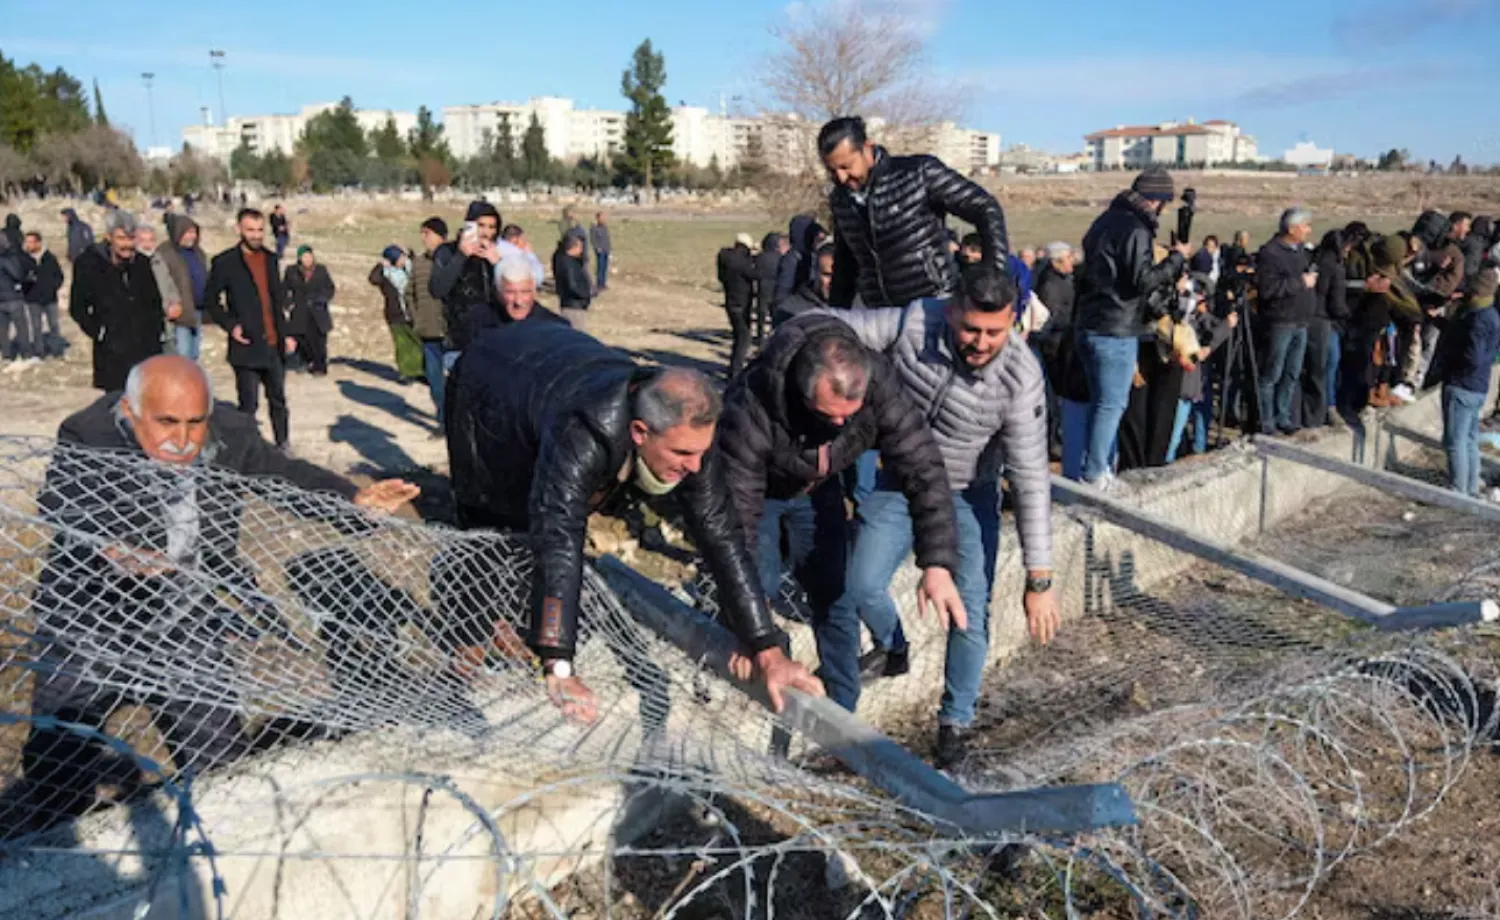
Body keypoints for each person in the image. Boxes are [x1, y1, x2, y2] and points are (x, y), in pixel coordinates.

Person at [12, 355, 416, 834]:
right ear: (131, 410)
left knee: (219, 757)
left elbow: (280, 475)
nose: (182, 439)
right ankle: (54, 851)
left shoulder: (230, 430)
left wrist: (352, 501)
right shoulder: (88, 434)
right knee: (60, 752)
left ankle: (218, 851)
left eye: (194, 423)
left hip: (183, 617)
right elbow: (65, 500)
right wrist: (109, 546)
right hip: (93, 619)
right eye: (166, 422)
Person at [444, 323, 821, 722]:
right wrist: (559, 664)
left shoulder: (689, 433)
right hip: (491, 382)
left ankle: (520, 618)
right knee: (496, 519)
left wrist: (766, 646)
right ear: (640, 432)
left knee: (547, 520)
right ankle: (470, 633)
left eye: (700, 454)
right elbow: (559, 534)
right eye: (681, 454)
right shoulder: (585, 430)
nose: (695, 467)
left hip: (557, 368)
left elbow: (720, 533)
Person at [807, 271, 1060, 767]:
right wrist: (793, 337)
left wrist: (1040, 576)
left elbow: (1031, 477)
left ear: (1013, 322)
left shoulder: (1021, 378)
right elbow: (835, 326)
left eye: (995, 332)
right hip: (900, 481)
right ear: (952, 310)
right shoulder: (915, 323)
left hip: (969, 495)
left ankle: (954, 723)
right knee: (859, 583)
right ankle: (893, 646)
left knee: (968, 613)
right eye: (971, 329)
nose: (981, 343)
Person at [716, 313, 967, 715]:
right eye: (827, 415)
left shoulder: (879, 383)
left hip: (819, 487)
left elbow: (922, 465)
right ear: (800, 390)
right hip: (761, 493)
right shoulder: (752, 406)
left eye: (849, 416)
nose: (839, 424)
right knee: (758, 582)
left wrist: (937, 561)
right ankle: (765, 682)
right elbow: (736, 522)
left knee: (835, 595)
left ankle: (841, 712)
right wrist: (754, 632)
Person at [1072, 167, 1190, 486]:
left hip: (1090, 323)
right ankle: (1096, 473)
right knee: (1112, 404)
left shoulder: (1104, 222)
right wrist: (1176, 260)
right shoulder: (1136, 229)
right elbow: (1143, 281)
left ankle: (1097, 466)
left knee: (1100, 403)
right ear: (1157, 201)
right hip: (1116, 327)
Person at [819, 116, 1009, 308]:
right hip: (879, 314)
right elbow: (845, 264)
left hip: (933, 303)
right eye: (832, 171)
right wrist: (836, 314)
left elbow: (985, 207)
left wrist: (994, 278)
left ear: (867, 147)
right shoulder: (840, 200)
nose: (841, 177)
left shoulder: (919, 173)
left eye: (846, 166)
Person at [203, 208, 294, 450]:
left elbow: (277, 300)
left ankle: (283, 445)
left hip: (274, 343)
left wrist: (287, 334)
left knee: (278, 400)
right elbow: (210, 301)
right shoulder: (225, 262)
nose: (256, 235)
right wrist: (231, 326)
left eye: (260, 230)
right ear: (239, 230)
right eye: (250, 230)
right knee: (248, 405)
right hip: (246, 345)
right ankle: (248, 451)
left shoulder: (271, 259)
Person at [69, 210, 164, 392]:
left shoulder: (142, 263)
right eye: (121, 238)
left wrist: (157, 330)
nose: (127, 245)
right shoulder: (89, 264)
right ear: (108, 237)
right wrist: (100, 332)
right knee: (116, 405)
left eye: (131, 239)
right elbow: (77, 307)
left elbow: (154, 301)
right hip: (112, 349)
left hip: (145, 347)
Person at [1432, 268, 1500, 496]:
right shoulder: (1489, 314)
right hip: (1477, 387)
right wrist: (1442, 323)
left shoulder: (1478, 319)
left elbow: (1474, 356)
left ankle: (1457, 489)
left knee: (1455, 441)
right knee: (1469, 439)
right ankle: (1470, 487)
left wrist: (1451, 358)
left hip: (1462, 385)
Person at [1255, 208, 1318, 435]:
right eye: (1305, 226)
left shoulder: (1301, 251)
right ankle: (1267, 421)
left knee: (1292, 372)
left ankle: (1284, 416)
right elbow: (1268, 289)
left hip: (1301, 321)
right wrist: (1301, 283)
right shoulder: (1270, 253)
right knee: (1272, 373)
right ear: (1292, 229)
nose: (1309, 230)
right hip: (1280, 321)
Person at [1166, 282, 1236, 463]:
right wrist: (1226, 326)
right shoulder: (1185, 325)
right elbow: (1200, 352)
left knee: (1199, 411)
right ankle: (1169, 458)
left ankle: (1197, 448)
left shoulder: (1200, 319)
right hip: (1186, 385)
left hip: (1195, 384)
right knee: (1175, 429)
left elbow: (1210, 330)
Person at [430, 201, 504, 353]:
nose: (486, 233)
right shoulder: (447, 251)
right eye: (481, 225)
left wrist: (498, 265)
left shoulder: (499, 253)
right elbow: (437, 289)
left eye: (492, 227)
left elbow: (512, 293)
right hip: (458, 340)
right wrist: (461, 256)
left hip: (494, 337)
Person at [1305, 229, 1352, 429]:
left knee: (1311, 368)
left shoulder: (1313, 260)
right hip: (1326, 320)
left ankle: (1311, 411)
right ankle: (1327, 408)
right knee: (1328, 365)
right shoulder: (1336, 267)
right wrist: (1348, 316)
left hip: (1306, 316)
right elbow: (1336, 301)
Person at [411, 217, 450, 427]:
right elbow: (410, 293)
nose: (423, 238)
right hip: (428, 330)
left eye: (427, 233)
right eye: (422, 233)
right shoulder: (418, 262)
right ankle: (443, 421)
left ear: (440, 236)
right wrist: (416, 317)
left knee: (458, 381)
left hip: (452, 332)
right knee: (435, 381)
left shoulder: (453, 259)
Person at [369, 244, 425, 382]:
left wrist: (409, 253)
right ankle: (406, 372)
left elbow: (418, 265)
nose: (402, 260)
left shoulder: (409, 269)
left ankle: (421, 371)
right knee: (402, 344)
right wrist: (381, 265)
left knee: (418, 342)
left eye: (403, 257)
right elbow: (373, 279)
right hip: (395, 314)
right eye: (399, 258)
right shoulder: (385, 275)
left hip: (413, 311)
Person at [156, 215, 206, 360]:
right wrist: (169, 306)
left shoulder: (198, 253)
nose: (191, 236)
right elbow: (163, 282)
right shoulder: (166, 253)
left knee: (194, 354)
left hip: (197, 311)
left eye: (193, 232)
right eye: (187, 232)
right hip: (178, 313)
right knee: (182, 355)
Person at [282, 245, 336, 377]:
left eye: (309, 256)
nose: (308, 259)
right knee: (302, 338)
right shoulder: (291, 271)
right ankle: (304, 361)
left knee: (319, 340)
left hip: (318, 310)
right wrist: (287, 303)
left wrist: (322, 299)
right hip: (300, 310)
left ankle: (320, 366)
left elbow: (330, 288)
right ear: (299, 258)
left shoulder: (321, 270)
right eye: (304, 257)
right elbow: (283, 288)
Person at [717, 232, 758, 378]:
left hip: (730, 301)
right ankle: (736, 372)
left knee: (738, 337)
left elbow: (721, 277)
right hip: (743, 303)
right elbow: (756, 274)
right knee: (744, 339)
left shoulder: (725, 258)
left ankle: (733, 368)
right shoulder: (744, 263)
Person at [21, 231, 66, 359]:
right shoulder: (24, 259)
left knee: (54, 325)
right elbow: (19, 276)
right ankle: (39, 352)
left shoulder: (49, 258)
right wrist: (26, 285)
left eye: (31, 242)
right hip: (32, 298)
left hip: (50, 298)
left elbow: (59, 276)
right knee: (36, 326)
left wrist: (52, 288)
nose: (28, 245)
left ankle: (57, 351)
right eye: (27, 242)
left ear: (38, 243)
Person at [133, 225, 184, 336]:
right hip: (142, 325)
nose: (147, 245)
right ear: (135, 241)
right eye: (143, 240)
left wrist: (176, 304)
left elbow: (170, 285)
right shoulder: (131, 264)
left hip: (166, 323)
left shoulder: (159, 260)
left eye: (151, 240)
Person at [776, 243, 835, 327]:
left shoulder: (857, 309)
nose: (834, 281)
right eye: (827, 275)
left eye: (840, 276)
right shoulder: (791, 311)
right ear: (815, 273)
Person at [552, 233, 592, 332]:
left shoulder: (564, 259)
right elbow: (572, 285)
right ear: (572, 248)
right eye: (580, 247)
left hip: (572, 304)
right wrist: (585, 294)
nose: (581, 250)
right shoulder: (568, 264)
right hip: (573, 306)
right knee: (577, 334)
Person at [0, 223, 27, 360]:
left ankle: (6, 355)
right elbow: (17, 274)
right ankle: (25, 354)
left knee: (2, 330)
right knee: (21, 328)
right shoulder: (7, 259)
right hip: (12, 297)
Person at [755, 232, 786, 346]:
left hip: (762, 288)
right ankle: (775, 335)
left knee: (761, 314)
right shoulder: (780, 257)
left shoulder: (760, 257)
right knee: (774, 314)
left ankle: (760, 336)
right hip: (775, 288)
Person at [591, 211, 612, 292]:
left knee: (605, 267)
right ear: (597, 218)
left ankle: (603, 283)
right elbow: (593, 239)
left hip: (606, 249)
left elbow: (607, 239)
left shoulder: (604, 227)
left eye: (604, 217)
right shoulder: (594, 227)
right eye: (602, 217)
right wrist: (597, 248)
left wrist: (609, 250)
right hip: (600, 250)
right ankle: (599, 284)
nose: (604, 219)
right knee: (600, 267)